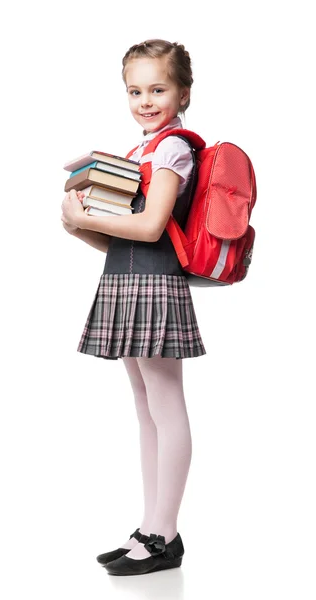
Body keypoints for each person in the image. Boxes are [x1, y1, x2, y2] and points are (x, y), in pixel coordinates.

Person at [61, 39, 206, 576]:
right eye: (135, 90)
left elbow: (148, 227)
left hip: (153, 285)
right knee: (147, 409)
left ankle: (166, 535)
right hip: (127, 279)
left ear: (183, 92)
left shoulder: (171, 149)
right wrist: (78, 226)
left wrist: (88, 219)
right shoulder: (137, 152)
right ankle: (150, 528)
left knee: (166, 407)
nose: (146, 100)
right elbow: (125, 239)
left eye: (158, 89)